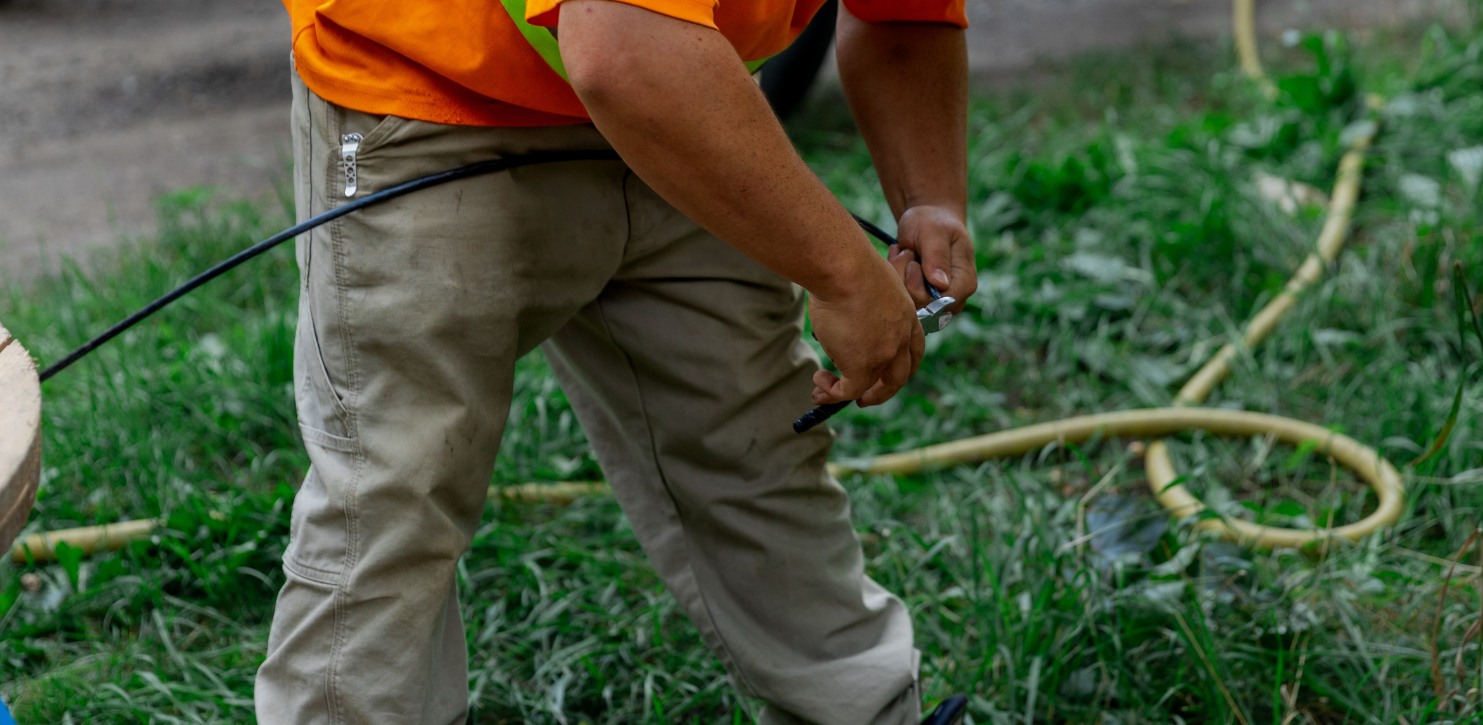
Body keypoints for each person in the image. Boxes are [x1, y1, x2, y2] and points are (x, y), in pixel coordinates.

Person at [256, 0, 978, 723]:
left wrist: (933, 198)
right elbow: (620, 48)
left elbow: (899, 14)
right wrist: (847, 278)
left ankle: (867, 709)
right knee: (394, 498)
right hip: (433, 101)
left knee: (753, 442)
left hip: (685, 84)